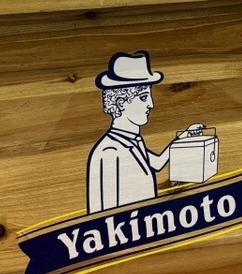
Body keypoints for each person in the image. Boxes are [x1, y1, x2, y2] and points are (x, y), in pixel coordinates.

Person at [87, 50, 203, 213]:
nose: (151, 104)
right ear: (120, 103)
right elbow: (103, 213)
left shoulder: (132, 142)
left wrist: (184, 137)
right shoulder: (110, 151)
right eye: (143, 97)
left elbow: (158, 163)